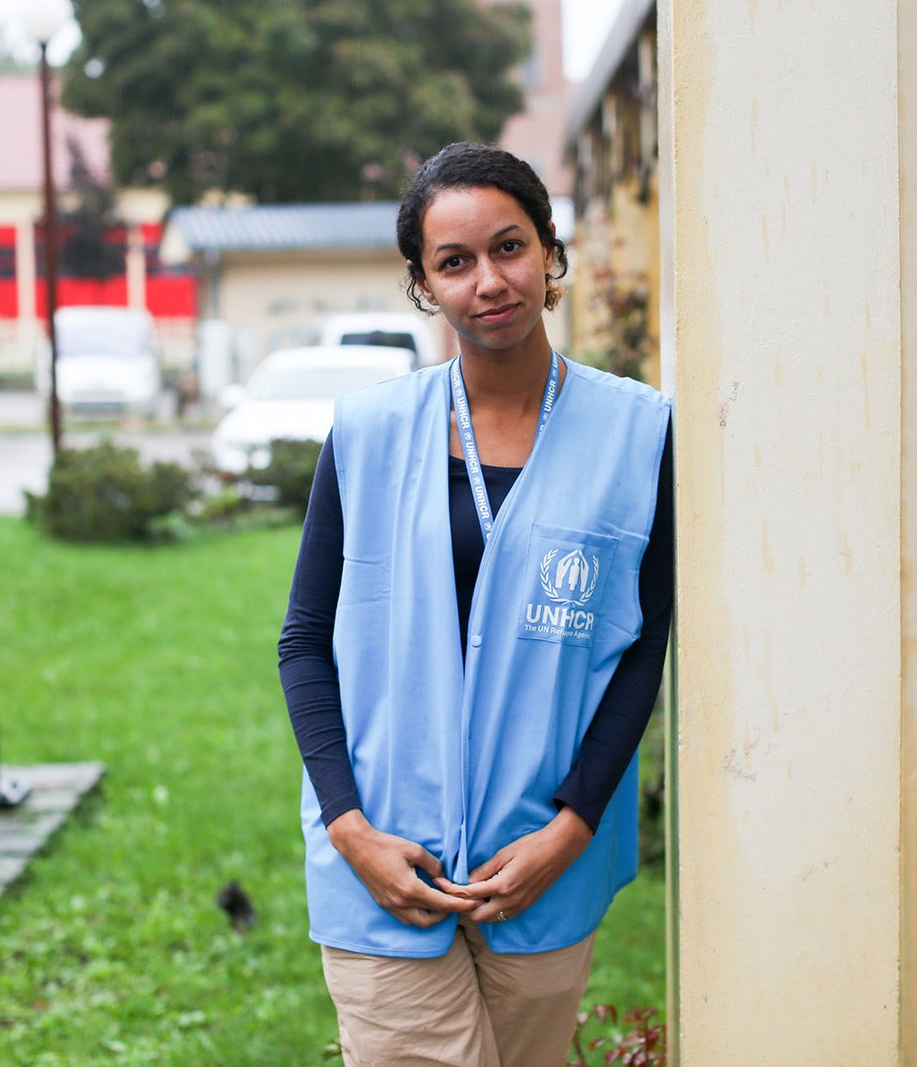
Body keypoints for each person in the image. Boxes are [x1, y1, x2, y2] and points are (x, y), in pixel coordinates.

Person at [278, 141, 674, 1067]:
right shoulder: (368, 433)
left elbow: (644, 642)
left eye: (509, 247)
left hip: (541, 868)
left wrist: (570, 829)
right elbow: (304, 641)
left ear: (550, 252)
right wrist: (350, 829)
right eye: (454, 262)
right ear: (425, 285)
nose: (489, 281)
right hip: (385, 860)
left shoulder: (638, 433)